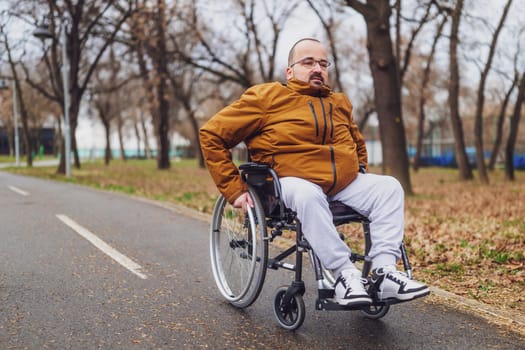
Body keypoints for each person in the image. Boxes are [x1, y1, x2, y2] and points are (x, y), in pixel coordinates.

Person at [199, 38, 429, 306]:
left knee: (389, 187)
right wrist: (234, 189)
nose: (317, 68)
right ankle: (344, 274)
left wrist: (359, 168)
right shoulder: (266, 98)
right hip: (288, 182)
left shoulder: (339, 102)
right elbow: (211, 134)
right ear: (290, 71)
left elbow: (356, 144)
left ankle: (384, 273)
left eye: (322, 63)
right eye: (308, 62)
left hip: (340, 184)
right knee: (309, 194)